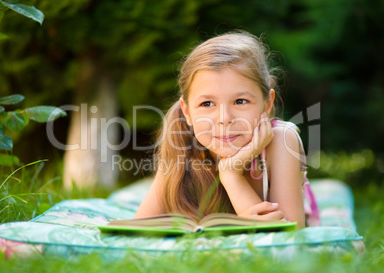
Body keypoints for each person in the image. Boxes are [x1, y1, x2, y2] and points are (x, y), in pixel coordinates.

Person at [135, 31, 319, 229]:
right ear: (187, 111)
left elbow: (289, 233)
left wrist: (231, 174)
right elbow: (138, 226)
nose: (224, 119)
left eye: (240, 101)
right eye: (207, 103)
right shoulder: (180, 142)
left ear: (267, 104)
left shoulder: (282, 140)